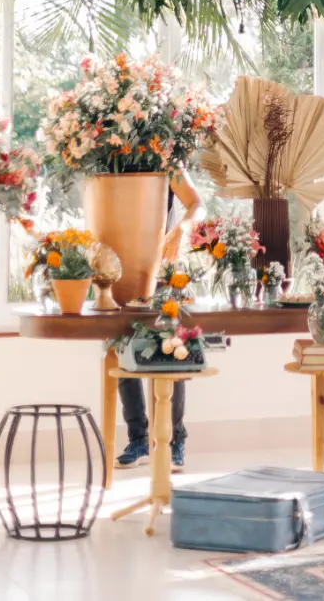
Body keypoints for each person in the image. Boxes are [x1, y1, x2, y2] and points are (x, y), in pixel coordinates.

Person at [115, 168, 203, 473]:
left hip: (163, 273)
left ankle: (174, 440)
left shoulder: (166, 161)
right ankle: (137, 438)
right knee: (124, 350)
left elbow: (196, 203)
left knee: (172, 353)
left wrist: (182, 228)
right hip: (124, 271)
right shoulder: (113, 157)